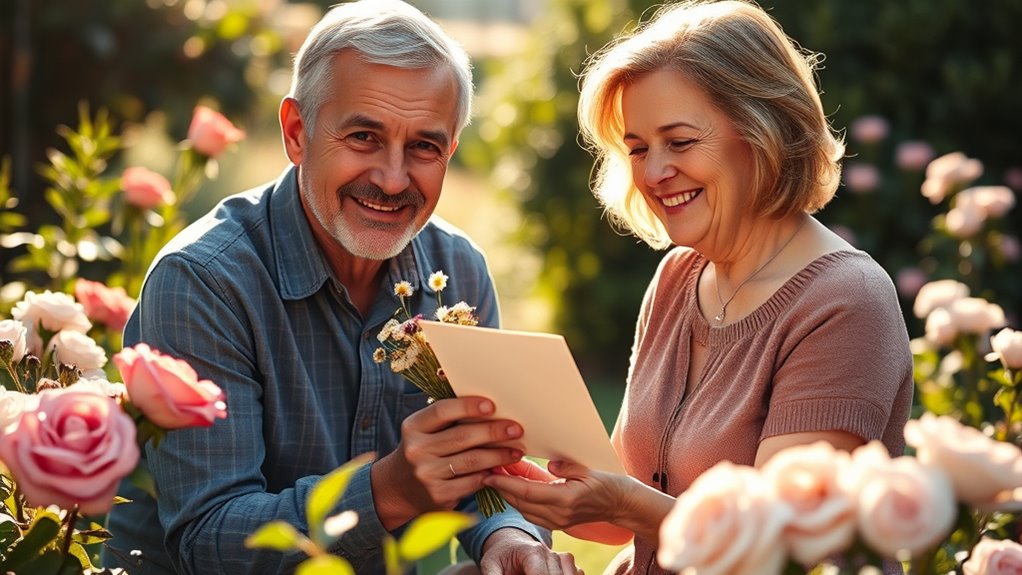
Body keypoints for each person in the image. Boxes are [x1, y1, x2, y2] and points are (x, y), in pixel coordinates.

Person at [102, 2, 579, 574]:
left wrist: (508, 538)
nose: (393, 178)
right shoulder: (205, 281)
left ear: (450, 150)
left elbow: (486, 470)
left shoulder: (458, 270)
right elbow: (208, 541)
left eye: (425, 147)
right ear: (297, 132)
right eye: (363, 136)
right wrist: (389, 489)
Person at [483, 1, 914, 573]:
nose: (654, 172)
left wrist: (627, 503)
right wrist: (503, 466)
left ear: (764, 133)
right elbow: (615, 511)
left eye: (680, 142)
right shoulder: (678, 278)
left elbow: (778, 543)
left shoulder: (845, 301)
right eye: (637, 148)